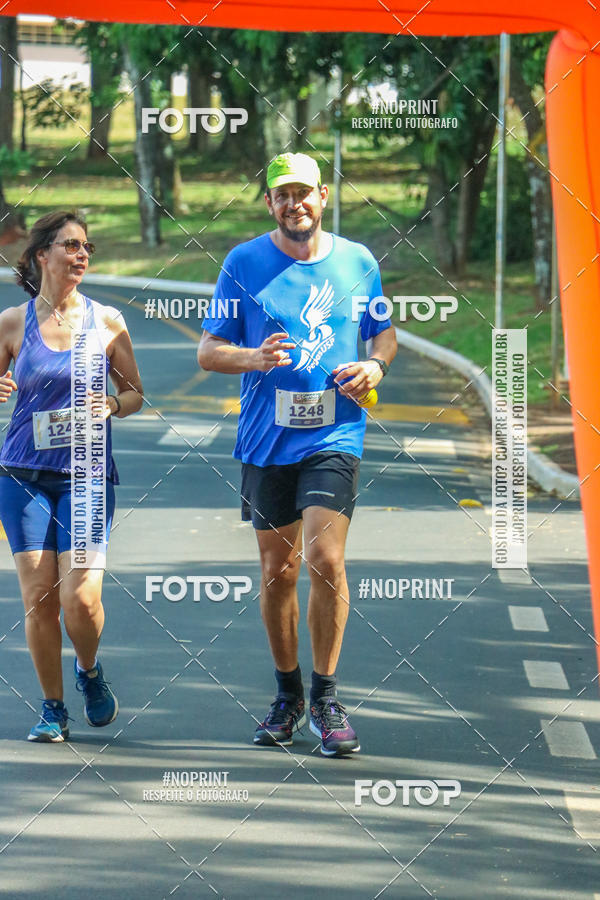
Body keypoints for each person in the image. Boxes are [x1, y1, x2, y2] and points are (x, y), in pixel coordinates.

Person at [197, 152, 397, 756]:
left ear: (323, 195)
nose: (294, 204)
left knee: (324, 559)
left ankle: (327, 698)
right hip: (265, 440)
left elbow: (382, 331)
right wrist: (251, 357)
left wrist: (375, 363)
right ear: (269, 204)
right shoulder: (243, 264)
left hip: (334, 435)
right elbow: (208, 350)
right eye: (282, 195)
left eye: (303, 193)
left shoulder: (358, 262)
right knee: (277, 571)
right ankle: (288, 697)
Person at [0, 211, 143, 742]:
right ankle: (53, 707)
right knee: (38, 596)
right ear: (43, 255)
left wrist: (111, 402)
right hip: (22, 475)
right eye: (71, 246)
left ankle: (88, 670)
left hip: (86, 472)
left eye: (87, 247)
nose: (82, 255)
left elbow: (135, 393)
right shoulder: (13, 322)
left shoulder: (107, 321)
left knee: (79, 598)